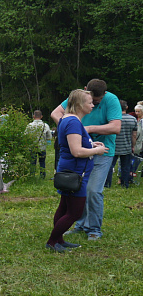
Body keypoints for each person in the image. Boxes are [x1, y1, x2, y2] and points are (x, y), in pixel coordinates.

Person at [51, 79, 121, 241]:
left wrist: (85, 130)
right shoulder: (79, 99)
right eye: (92, 102)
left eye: (97, 102)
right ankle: (80, 225)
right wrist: (72, 131)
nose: (94, 105)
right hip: (83, 152)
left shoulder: (111, 100)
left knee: (93, 191)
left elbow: (116, 127)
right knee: (78, 190)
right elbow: (55, 113)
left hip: (103, 151)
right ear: (85, 92)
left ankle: (94, 229)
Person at [47, 89, 108, 252]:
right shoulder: (73, 122)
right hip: (75, 174)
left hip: (70, 171)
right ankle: (53, 241)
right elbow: (76, 151)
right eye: (90, 103)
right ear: (80, 105)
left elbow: (73, 144)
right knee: (74, 212)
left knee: (64, 207)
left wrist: (91, 145)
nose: (93, 105)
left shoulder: (67, 119)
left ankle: (59, 240)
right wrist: (97, 151)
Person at [104, 100, 136, 188]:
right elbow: (134, 135)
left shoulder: (112, 119)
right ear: (127, 108)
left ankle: (107, 184)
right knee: (125, 167)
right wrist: (133, 146)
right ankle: (125, 184)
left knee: (109, 166)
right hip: (126, 146)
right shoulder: (132, 119)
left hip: (113, 146)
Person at [25, 110, 52, 178]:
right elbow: (49, 137)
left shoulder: (29, 125)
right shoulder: (45, 126)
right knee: (42, 162)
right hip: (42, 147)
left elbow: (25, 135)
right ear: (41, 116)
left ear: (33, 116)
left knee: (32, 162)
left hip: (32, 147)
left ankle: (32, 175)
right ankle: (42, 175)